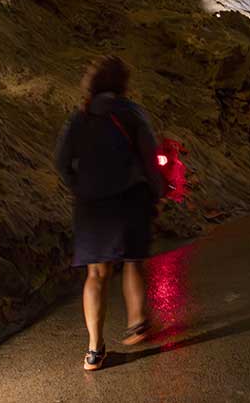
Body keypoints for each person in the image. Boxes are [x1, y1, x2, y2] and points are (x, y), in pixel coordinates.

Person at [54, 55, 164, 371]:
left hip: (92, 206)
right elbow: (149, 155)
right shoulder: (131, 114)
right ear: (121, 83)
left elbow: (61, 161)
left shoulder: (80, 117)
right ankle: (137, 322)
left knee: (96, 274)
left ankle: (94, 351)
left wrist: (80, 185)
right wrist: (157, 193)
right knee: (132, 261)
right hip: (130, 199)